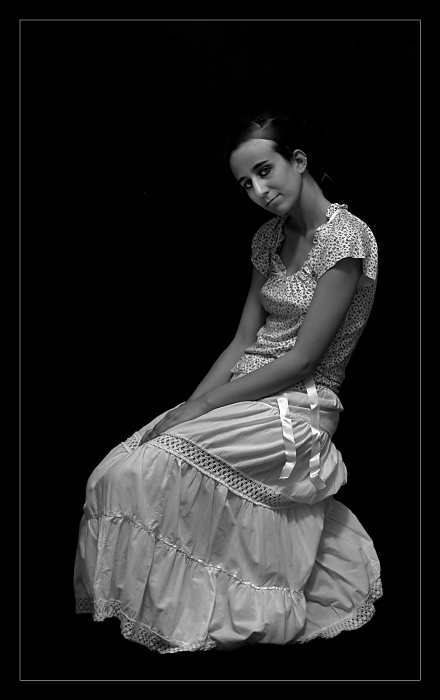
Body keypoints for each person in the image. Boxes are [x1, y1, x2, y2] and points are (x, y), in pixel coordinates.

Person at [74, 112, 382, 654]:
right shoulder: (269, 238)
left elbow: (302, 360)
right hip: (244, 390)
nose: (259, 191)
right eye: (245, 183)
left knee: (149, 471)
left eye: (265, 171)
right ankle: (165, 606)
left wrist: (202, 409)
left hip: (300, 405)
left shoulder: (347, 238)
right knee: (116, 471)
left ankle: (225, 612)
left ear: (298, 161)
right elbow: (243, 340)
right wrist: (189, 408)